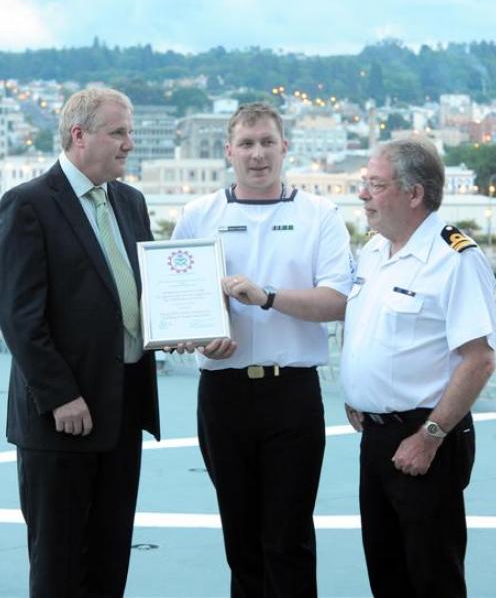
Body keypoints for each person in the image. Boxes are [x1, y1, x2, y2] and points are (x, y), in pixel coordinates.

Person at [171, 102, 353, 598]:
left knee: (289, 538)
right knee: (241, 541)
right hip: (223, 394)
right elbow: (174, 306)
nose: (257, 155)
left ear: (285, 147)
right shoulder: (197, 215)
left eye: (267, 142)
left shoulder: (320, 215)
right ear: (228, 151)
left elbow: (337, 300)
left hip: (290, 394)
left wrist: (268, 296)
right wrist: (200, 333)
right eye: (247, 144)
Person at [0, 88, 160, 598]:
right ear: (78, 136)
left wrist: (178, 328)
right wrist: (59, 394)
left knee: (110, 558)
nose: (129, 144)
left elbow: (147, 292)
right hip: (61, 419)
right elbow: (19, 315)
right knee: (59, 564)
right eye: (119, 133)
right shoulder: (27, 205)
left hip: (124, 408)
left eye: (130, 132)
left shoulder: (131, 202)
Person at [340, 137, 496, 598]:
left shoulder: (455, 258)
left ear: (414, 194)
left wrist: (429, 436)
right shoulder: (373, 251)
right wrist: (357, 393)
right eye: (364, 183)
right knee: (386, 573)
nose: (363, 194)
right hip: (377, 437)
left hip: (426, 438)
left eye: (375, 185)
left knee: (432, 577)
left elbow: (480, 358)